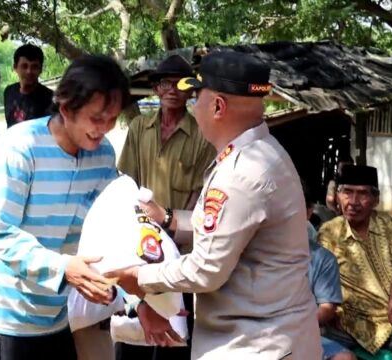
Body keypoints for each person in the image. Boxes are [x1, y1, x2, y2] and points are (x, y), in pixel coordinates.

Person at [108, 51, 322, 359]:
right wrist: (168, 218)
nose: (193, 106)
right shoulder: (262, 152)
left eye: (196, 97)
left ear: (218, 106)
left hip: (254, 344)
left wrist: (137, 278)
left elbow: (206, 270)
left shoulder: (241, 173)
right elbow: (218, 228)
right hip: (271, 333)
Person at [0, 55, 130, 360]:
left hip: (55, 319)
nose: (104, 128)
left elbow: (109, 226)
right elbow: (2, 236)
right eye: (96, 118)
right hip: (1, 322)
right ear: (66, 109)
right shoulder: (19, 149)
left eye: (112, 119)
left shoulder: (102, 155)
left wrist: (140, 299)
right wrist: (64, 269)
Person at [116, 54, 214, 360]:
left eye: (180, 83)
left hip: (178, 250)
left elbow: (201, 194)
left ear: (190, 90)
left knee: (176, 334)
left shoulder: (202, 134)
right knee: (132, 331)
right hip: (138, 245)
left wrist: (169, 238)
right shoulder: (137, 127)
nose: (172, 89)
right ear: (156, 88)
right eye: (165, 83)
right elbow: (126, 184)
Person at [319, 165, 392, 357]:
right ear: (337, 196)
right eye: (347, 192)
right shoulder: (329, 233)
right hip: (359, 326)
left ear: (375, 200)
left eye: (362, 194)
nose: (353, 202)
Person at [303, 182, 356, 360]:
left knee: (344, 358)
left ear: (308, 212)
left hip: (301, 332)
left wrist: (300, 324)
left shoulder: (322, 258)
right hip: (257, 333)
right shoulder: (253, 251)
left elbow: (327, 307)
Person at [3, 44, 54, 128]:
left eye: (34, 67)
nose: (29, 71)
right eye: (24, 66)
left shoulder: (50, 98)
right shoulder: (9, 92)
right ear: (15, 67)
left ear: (41, 69)